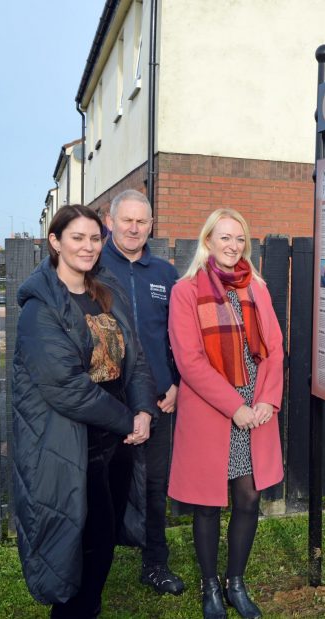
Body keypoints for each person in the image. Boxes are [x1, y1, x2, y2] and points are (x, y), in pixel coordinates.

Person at [12, 204, 158, 618]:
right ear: (55, 242)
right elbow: (67, 388)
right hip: (70, 446)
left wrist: (144, 409)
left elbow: (136, 360)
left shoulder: (105, 291)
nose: (88, 246)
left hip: (116, 442)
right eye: (77, 237)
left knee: (103, 539)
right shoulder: (40, 309)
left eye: (95, 238)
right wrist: (129, 420)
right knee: (76, 546)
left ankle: (88, 607)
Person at [168, 208, 284, 619]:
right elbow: (190, 361)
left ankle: (236, 582)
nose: (233, 246)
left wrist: (267, 400)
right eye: (225, 238)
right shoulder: (186, 292)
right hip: (213, 411)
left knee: (249, 497)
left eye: (240, 239)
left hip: (256, 412)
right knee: (207, 503)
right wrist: (235, 407)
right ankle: (210, 586)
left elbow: (273, 347)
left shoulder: (258, 288)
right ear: (208, 242)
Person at [100, 189, 184, 595]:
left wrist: (177, 385)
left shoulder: (166, 275)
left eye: (142, 221)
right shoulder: (94, 267)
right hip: (105, 402)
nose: (134, 228)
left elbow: (181, 338)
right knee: (98, 485)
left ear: (151, 225)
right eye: (127, 220)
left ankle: (155, 563)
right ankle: (92, 566)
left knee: (154, 488)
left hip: (160, 400)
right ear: (109, 221)